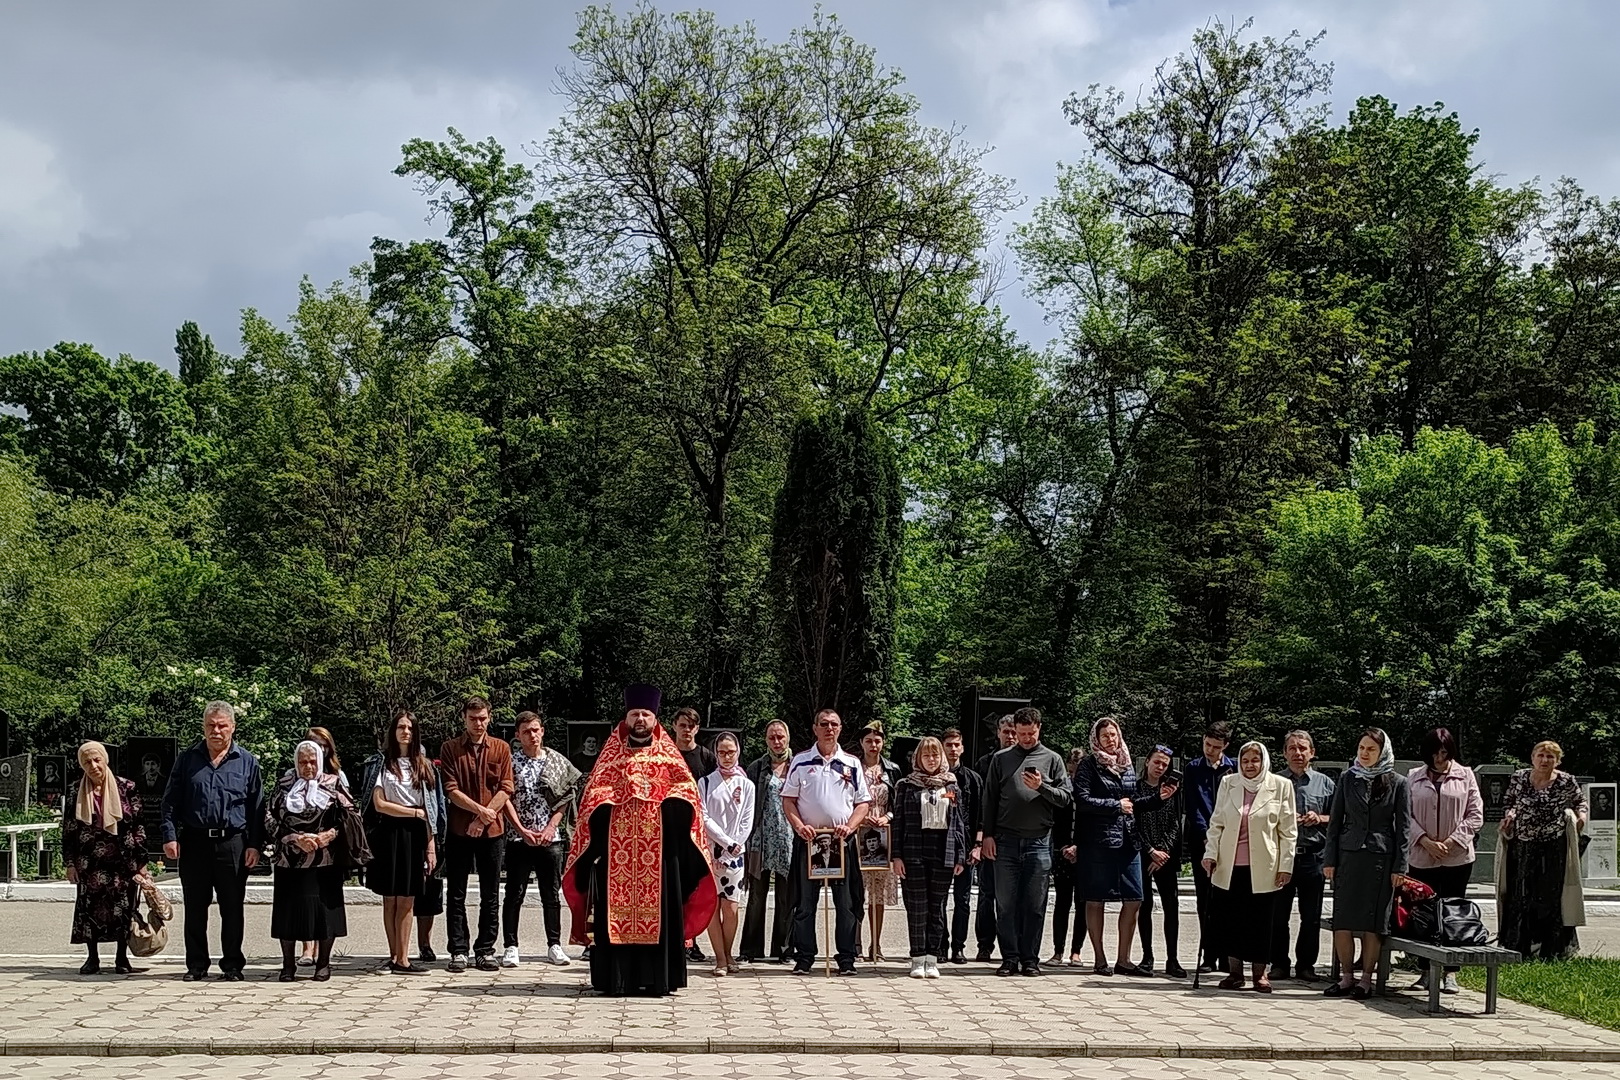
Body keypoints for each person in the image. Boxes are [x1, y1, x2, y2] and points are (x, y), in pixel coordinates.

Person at [563, 683, 718, 996]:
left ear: (654, 718)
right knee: (613, 914)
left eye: (646, 714)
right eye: (635, 714)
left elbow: (687, 795)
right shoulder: (610, 758)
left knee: (662, 913)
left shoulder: (671, 759)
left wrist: (664, 799)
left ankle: (659, 977)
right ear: (627, 717)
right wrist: (615, 796)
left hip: (660, 855)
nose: (640, 719)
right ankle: (616, 979)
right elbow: (593, 797)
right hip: (616, 856)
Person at [160, 701, 265, 982]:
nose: (216, 731)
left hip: (233, 843)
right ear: (203, 727)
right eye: (210, 725)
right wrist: (169, 835)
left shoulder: (247, 762)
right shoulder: (187, 759)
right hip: (194, 843)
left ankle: (232, 965)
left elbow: (257, 807)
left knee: (232, 907)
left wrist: (255, 844)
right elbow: (170, 802)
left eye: (221, 725)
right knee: (195, 907)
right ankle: (196, 965)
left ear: (232, 727)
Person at [1073, 717, 1176, 976]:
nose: (1111, 739)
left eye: (1114, 734)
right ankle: (1099, 958)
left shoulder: (1127, 764)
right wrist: (1114, 806)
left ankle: (1124, 959)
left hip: (1128, 841)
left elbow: (1134, 802)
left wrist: (1158, 798)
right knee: (1095, 900)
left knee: (1134, 899)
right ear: (1097, 738)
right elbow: (1082, 800)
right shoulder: (1088, 765)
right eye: (1106, 735)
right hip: (1097, 842)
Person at [980, 706, 1071, 977]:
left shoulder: (1053, 759)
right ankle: (1009, 957)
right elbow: (990, 800)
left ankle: (1030, 959)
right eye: (1021, 734)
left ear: (1039, 729)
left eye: (1031, 733)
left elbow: (1066, 798)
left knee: (1034, 904)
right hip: (1005, 840)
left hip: (1039, 841)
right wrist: (987, 835)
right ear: (1014, 732)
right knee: (1005, 903)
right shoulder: (1001, 759)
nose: (1026, 738)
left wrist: (1041, 787)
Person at [1202, 740, 1297, 992]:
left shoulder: (1281, 786)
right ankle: (1235, 973)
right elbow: (1217, 824)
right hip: (1229, 865)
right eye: (1245, 761)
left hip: (1264, 866)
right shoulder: (1228, 783)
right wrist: (1210, 853)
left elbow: (1288, 831)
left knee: (1260, 922)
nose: (1250, 765)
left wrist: (1285, 865)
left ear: (1263, 761)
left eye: (1255, 760)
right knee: (1231, 920)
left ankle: (1259, 974)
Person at [266, 740, 365, 981]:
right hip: (290, 860)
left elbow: (352, 815)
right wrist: (293, 837)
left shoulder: (333, 783)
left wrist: (329, 835)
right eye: (303, 762)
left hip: (325, 860)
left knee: (324, 913)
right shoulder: (284, 785)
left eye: (312, 761)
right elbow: (268, 817)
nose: (308, 766)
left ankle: (323, 963)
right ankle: (288, 965)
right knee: (288, 912)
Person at [782, 708, 871, 975]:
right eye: (824, 724)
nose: (829, 729)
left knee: (845, 903)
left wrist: (850, 826)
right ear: (815, 728)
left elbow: (863, 803)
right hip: (810, 842)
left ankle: (846, 958)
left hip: (841, 842)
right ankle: (805, 957)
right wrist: (799, 826)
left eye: (834, 724)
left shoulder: (852, 763)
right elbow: (788, 800)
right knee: (805, 903)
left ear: (840, 729)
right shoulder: (800, 761)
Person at [1324, 728, 1410, 999]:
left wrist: (1400, 866)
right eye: (1362, 748)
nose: (1365, 753)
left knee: (1374, 922)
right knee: (1343, 920)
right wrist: (1330, 860)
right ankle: (1346, 977)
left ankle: (1365, 980)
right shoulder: (1348, 778)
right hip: (1349, 856)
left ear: (1382, 752)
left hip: (1380, 858)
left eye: (1371, 749)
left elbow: (1404, 827)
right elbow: (1335, 821)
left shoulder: (1398, 782)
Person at [363, 709, 444, 974]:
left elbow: (432, 810)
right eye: (400, 727)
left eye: (409, 727)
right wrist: (413, 812)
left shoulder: (425, 765)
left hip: (416, 835)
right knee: (390, 898)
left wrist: (431, 845)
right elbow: (378, 803)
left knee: (408, 898)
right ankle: (393, 955)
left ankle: (404, 958)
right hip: (388, 834)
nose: (405, 732)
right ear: (393, 731)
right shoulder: (381, 763)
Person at [438, 695, 514, 973]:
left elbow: (506, 788)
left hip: (492, 832)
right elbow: (451, 789)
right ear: (463, 719)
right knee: (456, 893)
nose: (478, 724)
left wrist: (482, 820)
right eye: (473, 719)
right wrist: (479, 813)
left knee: (490, 893)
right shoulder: (449, 749)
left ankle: (485, 950)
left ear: (489, 717)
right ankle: (458, 950)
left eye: (482, 718)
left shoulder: (502, 748)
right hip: (459, 831)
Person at [501, 710, 582, 968]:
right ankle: (510, 946)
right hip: (519, 838)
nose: (532, 735)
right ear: (518, 735)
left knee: (551, 894)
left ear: (542, 731)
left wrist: (550, 827)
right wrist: (521, 830)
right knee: (514, 894)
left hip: (551, 838)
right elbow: (504, 799)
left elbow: (567, 796)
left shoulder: (557, 761)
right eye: (526, 731)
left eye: (535, 730)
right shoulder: (510, 763)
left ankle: (554, 945)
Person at [1405, 727, 1483, 993]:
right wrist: (1425, 840)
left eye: (1445, 752)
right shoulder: (1413, 776)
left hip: (1456, 858)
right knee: (1425, 914)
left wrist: (1451, 843)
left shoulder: (1466, 775)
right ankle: (1425, 971)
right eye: (1435, 753)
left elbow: (1474, 815)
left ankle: (1451, 973)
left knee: (1453, 914)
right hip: (1422, 855)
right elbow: (1406, 816)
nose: (1440, 758)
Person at [1497, 740, 1588, 959]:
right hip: (1523, 844)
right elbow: (1508, 801)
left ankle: (1552, 949)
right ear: (1532, 757)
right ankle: (1519, 947)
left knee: (1550, 896)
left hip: (1553, 844)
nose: (1544, 760)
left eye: (1550, 756)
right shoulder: (1519, 777)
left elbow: (1580, 802)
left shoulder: (1566, 780)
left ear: (1557, 761)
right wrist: (1509, 815)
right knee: (1521, 894)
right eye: (1540, 755)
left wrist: (1581, 817)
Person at [63, 741, 146, 975]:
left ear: (105, 759)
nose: (93, 765)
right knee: (89, 908)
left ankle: (122, 957)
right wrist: (70, 863)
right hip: (89, 862)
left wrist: (142, 862)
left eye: (97, 759)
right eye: (87, 761)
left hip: (123, 860)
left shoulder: (127, 788)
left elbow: (138, 826)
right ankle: (93, 958)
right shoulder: (74, 790)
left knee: (123, 908)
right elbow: (69, 829)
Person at [890, 736, 967, 979]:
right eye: (926, 755)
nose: (931, 760)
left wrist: (960, 855)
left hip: (943, 852)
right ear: (918, 759)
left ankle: (933, 958)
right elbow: (898, 822)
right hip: (913, 853)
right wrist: (896, 856)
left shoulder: (951, 786)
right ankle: (917, 957)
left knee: (937, 908)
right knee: (917, 907)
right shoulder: (905, 785)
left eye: (935, 755)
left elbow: (958, 822)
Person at [1271, 730, 1334, 982]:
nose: (1298, 753)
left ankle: (1306, 965)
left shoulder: (1326, 783)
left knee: (1311, 916)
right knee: (1278, 915)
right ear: (1284, 753)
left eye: (1303, 749)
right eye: (1292, 748)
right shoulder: (1274, 782)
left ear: (1312, 752)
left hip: (1313, 856)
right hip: (1282, 857)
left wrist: (1319, 818)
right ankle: (1278, 964)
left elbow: (1339, 819)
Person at [698, 732, 755, 975]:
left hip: (735, 854)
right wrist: (723, 843)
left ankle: (729, 952)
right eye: (722, 752)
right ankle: (720, 958)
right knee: (713, 907)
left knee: (731, 907)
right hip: (711, 852)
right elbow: (704, 816)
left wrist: (734, 846)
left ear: (738, 752)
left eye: (730, 751)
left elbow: (746, 820)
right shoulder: (706, 782)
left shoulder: (747, 785)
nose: (726, 756)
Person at [740, 720, 797, 964]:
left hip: (789, 839)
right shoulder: (756, 768)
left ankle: (784, 950)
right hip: (759, 840)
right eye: (772, 737)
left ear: (787, 738)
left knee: (787, 897)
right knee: (756, 897)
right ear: (766, 740)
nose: (776, 741)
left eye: (780, 737)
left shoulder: (798, 766)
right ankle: (750, 950)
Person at [1183, 721, 1234, 973]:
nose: (1209, 750)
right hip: (1202, 840)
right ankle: (1208, 954)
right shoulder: (1193, 768)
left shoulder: (1233, 768)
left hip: (1232, 841)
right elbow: (1193, 806)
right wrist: (1206, 836)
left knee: (1227, 899)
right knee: (1205, 899)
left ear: (1225, 746)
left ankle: (1228, 955)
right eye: (1206, 744)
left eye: (1215, 746)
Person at [297, 726, 349, 965]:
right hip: (301, 847)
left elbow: (348, 814)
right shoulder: (296, 773)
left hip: (329, 848)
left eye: (324, 744)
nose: (319, 748)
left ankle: (323, 950)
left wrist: (330, 834)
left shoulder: (338, 776)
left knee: (325, 898)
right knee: (303, 897)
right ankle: (307, 949)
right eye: (314, 743)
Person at [1134, 744, 1185, 978]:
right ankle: (1147, 957)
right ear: (1147, 762)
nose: (1160, 767)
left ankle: (1172, 959)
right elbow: (1132, 824)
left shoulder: (1172, 790)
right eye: (1157, 762)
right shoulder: (1135, 789)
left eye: (1164, 765)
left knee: (1171, 907)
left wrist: (1163, 851)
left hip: (1166, 857)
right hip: (1143, 856)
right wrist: (1150, 850)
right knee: (1145, 907)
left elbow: (1176, 823)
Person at [971, 714, 1016, 962]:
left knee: (1011, 897)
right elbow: (979, 806)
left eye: (1013, 732)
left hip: (1015, 838)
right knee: (987, 893)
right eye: (1005, 731)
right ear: (998, 732)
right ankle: (984, 945)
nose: (1009, 736)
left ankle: (1012, 946)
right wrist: (980, 839)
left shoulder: (1026, 761)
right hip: (990, 837)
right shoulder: (984, 763)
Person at [856, 722, 900, 963]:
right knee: (857, 893)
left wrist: (886, 817)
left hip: (883, 834)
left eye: (878, 741)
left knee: (878, 894)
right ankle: (856, 944)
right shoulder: (851, 768)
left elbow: (898, 803)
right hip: (858, 833)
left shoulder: (892, 770)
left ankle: (876, 944)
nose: (874, 745)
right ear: (862, 743)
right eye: (869, 741)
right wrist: (861, 818)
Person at [939, 728, 983, 964]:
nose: (953, 749)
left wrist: (977, 845)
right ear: (942, 747)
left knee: (963, 900)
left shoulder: (973, 779)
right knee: (941, 900)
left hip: (966, 847)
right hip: (942, 847)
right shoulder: (936, 779)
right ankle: (941, 945)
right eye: (949, 745)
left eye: (957, 745)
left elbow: (980, 815)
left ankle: (959, 947)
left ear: (962, 748)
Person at [1049, 748, 1086, 965]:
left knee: (1082, 903)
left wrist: (1079, 847)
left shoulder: (1090, 792)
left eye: (1076, 773)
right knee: (1062, 902)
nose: (1072, 777)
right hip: (1063, 853)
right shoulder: (1061, 792)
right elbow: (1056, 824)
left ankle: (1076, 951)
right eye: (1070, 772)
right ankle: (1057, 950)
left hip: (1084, 854)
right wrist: (1064, 847)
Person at [671, 707, 718, 781]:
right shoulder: (667, 754)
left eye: (691, 726)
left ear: (697, 729)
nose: (687, 729)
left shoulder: (707, 756)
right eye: (682, 725)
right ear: (674, 726)